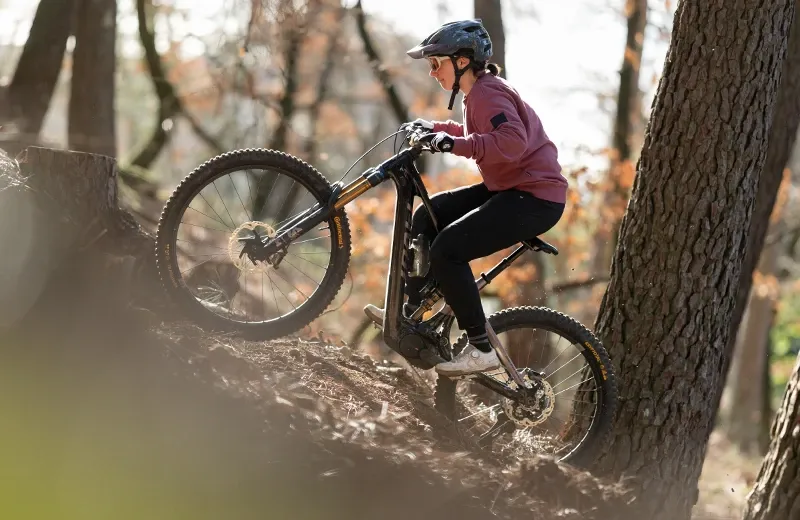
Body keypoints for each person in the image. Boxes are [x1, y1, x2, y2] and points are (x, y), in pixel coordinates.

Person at [364, 19, 568, 377]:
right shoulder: (479, 94)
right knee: (429, 215)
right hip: (513, 186)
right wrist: (434, 129)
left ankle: (480, 347)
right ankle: (411, 314)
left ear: (461, 61)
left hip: (535, 196)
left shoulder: (488, 93)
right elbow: (474, 132)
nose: (431, 73)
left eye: (435, 63)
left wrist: (454, 145)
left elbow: (511, 142)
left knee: (449, 249)